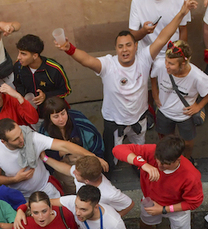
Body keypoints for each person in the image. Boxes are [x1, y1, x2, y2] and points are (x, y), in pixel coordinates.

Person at [56, 0, 196, 164]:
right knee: (112, 158)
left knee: (140, 154)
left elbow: (163, 37)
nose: (125, 50)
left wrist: (182, 13)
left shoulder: (144, 58)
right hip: (115, 123)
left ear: (136, 46)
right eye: (120, 46)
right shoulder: (108, 65)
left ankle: (139, 169)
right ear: (116, 49)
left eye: (129, 45)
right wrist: (69, 49)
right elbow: (87, 60)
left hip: (139, 120)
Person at [116, 136, 204, 229]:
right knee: (145, 223)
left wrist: (163, 209)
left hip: (176, 207)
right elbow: (118, 149)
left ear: (178, 159)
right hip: (150, 201)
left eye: (165, 164)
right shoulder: (152, 151)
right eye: (158, 160)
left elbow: (194, 202)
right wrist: (144, 164)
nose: (159, 166)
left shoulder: (191, 175)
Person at [0, 118, 106, 200]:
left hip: (46, 188)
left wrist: (93, 156)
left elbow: (64, 146)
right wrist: (15, 179)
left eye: (20, 133)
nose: (22, 139)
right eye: (15, 139)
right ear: (3, 141)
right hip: (20, 196)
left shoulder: (32, 138)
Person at [152, 40, 208, 161]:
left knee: (187, 143)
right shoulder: (160, 65)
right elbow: (153, 75)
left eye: (171, 63)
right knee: (166, 140)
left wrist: (199, 106)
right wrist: (155, 94)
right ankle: (171, 158)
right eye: (166, 60)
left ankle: (187, 160)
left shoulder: (197, 76)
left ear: (183, 64)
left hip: (185, 116)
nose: (166, 65)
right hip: (164, 111)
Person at [38, 98, 104, 192]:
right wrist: (60, 152)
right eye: (56, 116)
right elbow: (46, 156)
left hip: (86, 161)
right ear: (49, 118)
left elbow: (94, 141)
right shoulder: (44, 131)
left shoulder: (79, 121)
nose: (61, 119)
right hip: (62, 167)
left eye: (63, 114)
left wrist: (97, 160)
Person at [0, 72, 39, 152]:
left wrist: (18, 97)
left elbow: (33, 119)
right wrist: (2, 155)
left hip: (27, 141)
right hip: (8, 151)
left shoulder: (13, 99)